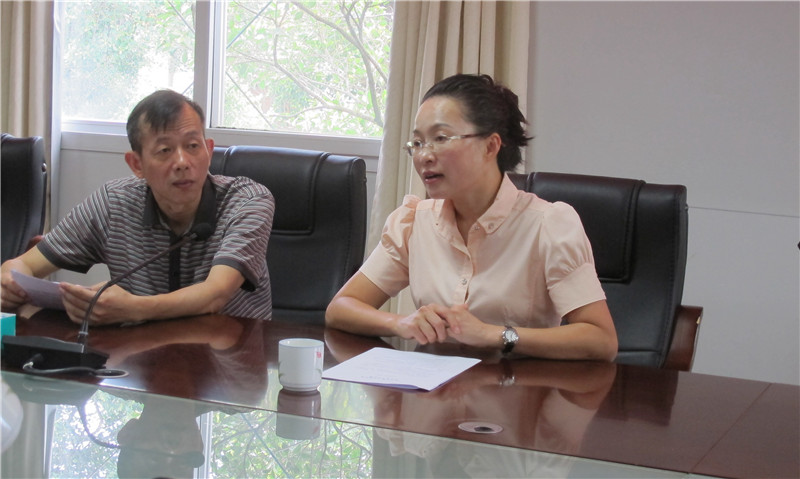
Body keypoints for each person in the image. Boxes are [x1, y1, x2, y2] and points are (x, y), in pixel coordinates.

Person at [326, 73, 617, 361]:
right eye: (417, 142)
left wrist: (495, 335)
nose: (424, 156)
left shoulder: (548, 226)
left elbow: (601, 339)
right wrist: (401, 323)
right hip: (431, 387)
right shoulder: (413, 223)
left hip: (518, 387)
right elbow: (341, 308)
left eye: (440, 138)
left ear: (491, 146)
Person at [0, 90, 275, 325]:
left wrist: (131, 308)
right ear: (136, 164)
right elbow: (24, 264)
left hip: (230, 360)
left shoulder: (248, 201)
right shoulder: (113, 203)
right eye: (165, 150)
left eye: (193, 146)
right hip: (139, 358)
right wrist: (10, 280)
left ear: (209, 150)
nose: (182, 162)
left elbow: (215, 294)